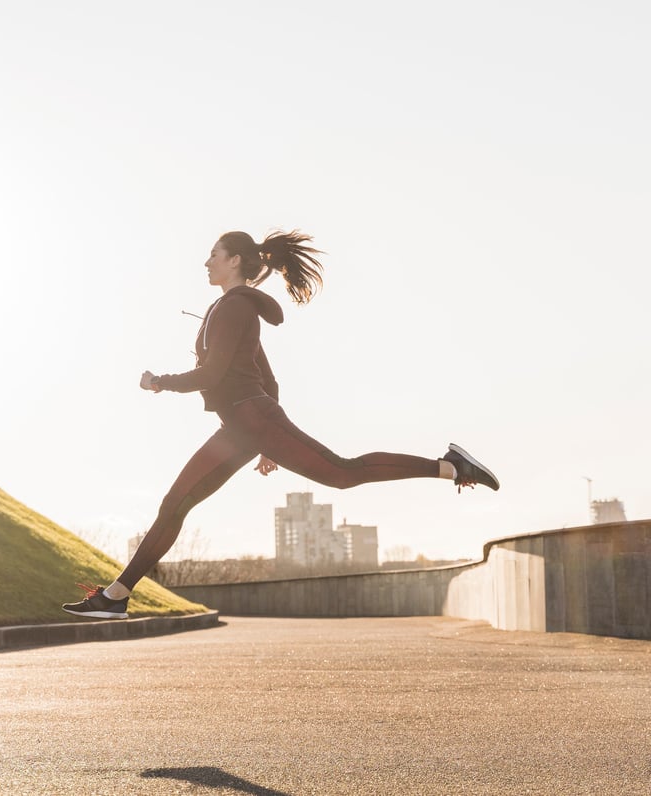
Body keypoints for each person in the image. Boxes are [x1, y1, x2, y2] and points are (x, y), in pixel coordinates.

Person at [63, 230, 499, 619]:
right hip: (242, 428)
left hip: (253, 420)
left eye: (213, 253)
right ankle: (117, 596)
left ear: (234, 260)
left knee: (343, 474)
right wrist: (264, 442)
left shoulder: (235, 307)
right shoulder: (231, 307)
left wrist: (160, 382)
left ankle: (450, 466)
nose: (207, 261)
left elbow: (213, 376)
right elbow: (267, 377)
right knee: (174, 504)